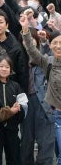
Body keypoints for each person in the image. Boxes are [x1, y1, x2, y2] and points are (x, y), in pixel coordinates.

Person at [21, 17, 61, 165]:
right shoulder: (47, 61)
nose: (58, 46)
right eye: (55, 43)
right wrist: (25, 29)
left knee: (50, 150)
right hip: (51, 109)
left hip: (49, 110)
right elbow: (32, 51)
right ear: (50, 46)